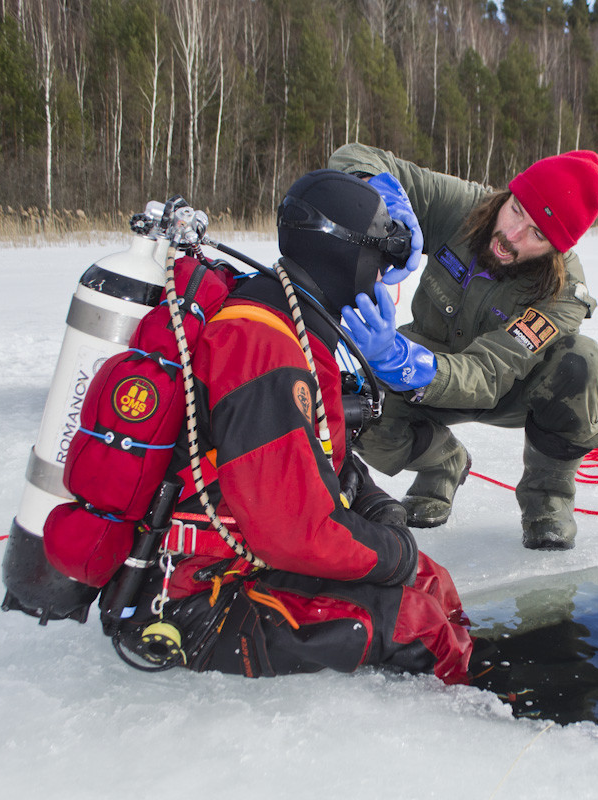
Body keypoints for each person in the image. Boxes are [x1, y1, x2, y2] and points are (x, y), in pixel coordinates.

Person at [113, 169, 472, 684]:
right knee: (420, 624)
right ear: (347, 256)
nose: (381, 284)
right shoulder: (265, 348)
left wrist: (375, 506)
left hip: (249, 553)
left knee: (433, 582)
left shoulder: (288, 317)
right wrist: (395, 552)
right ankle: (473, 728)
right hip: (197, 598)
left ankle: (476, 682)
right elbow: (295, 532)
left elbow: (316, 449)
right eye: (378, 265)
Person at [328, 143, 598, 550]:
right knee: (348, 404)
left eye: (536, 234)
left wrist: (403, 362)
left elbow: (488, 373)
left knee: (583, 363)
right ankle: (443, 463)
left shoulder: (564, 291)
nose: (511, 236)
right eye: (517, 210)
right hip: (425, 365)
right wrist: (378, 192)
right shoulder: (464, 206)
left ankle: (548, 499)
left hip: (512, 388)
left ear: (558, 247)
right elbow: (351, 155)